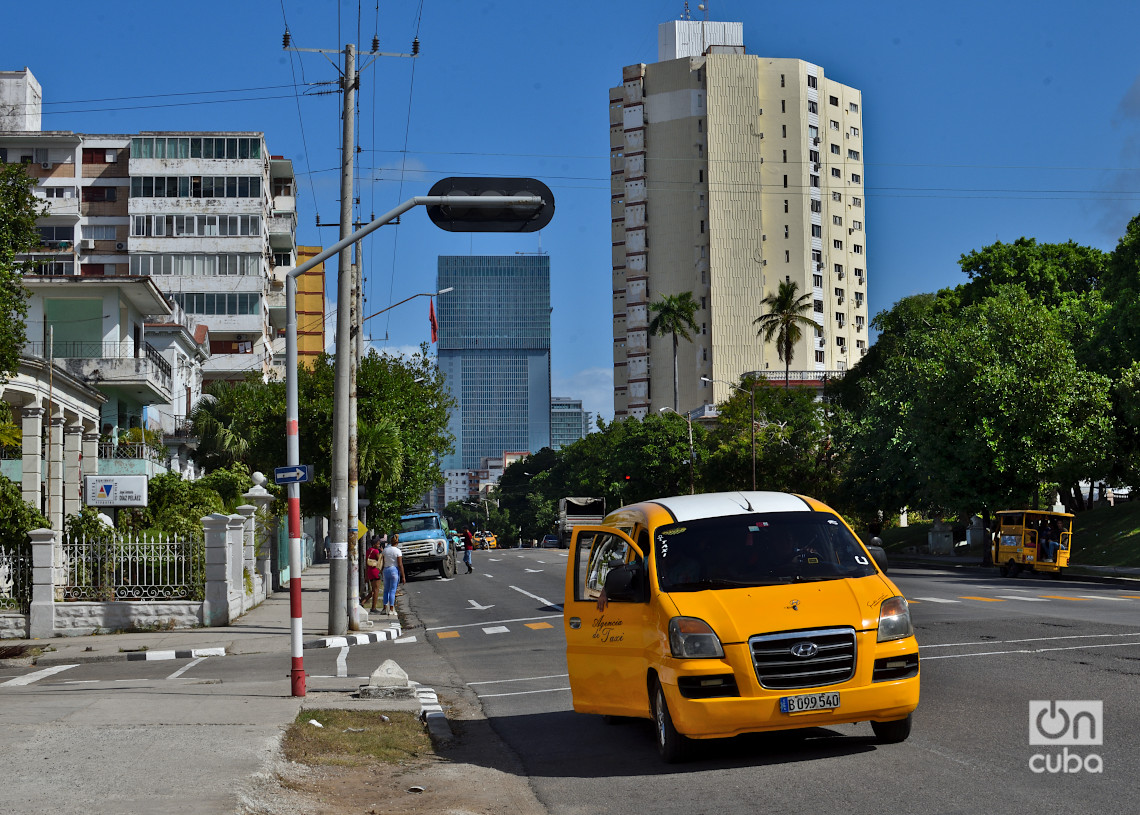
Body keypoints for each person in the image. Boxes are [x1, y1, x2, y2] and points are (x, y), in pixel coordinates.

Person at [380, 534, 405, 616]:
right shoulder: (398, 551)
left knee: (386, 590)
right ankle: (391, 609)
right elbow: (400, 564)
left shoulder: (385, 550)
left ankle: (384, 608)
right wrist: (403, 576)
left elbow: (382, 562)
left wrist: (381, 571)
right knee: (392, 590)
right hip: (394, 570)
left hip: (386, 570)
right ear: (397, 542)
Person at [365, 537, 382, 612]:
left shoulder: (369, 550)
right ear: (374, 544)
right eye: (378, 544)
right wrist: (382, 552)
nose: (379, 545)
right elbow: (380, 560)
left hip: (370, 571)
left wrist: (366, 575)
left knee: (373, 589)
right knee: (376, 590)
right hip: (375, 571)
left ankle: (363, 601)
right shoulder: (375, 551)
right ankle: (373, 608)